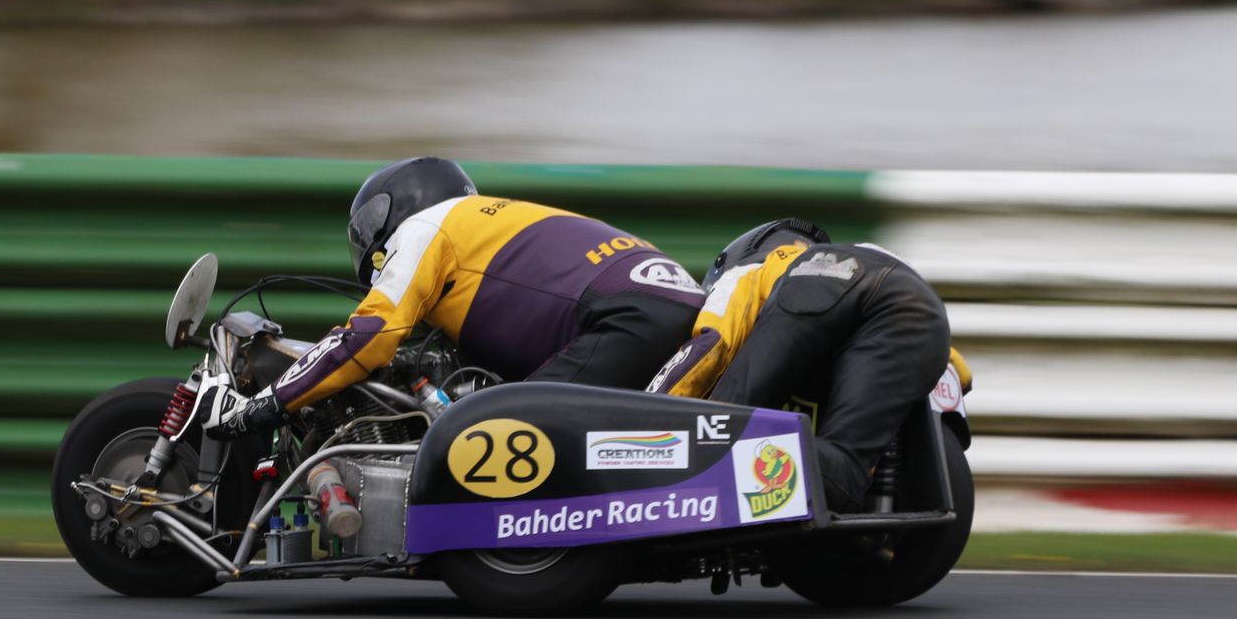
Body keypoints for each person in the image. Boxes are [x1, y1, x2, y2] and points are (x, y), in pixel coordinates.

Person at [206, 157, 704, 436]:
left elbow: (370, 335)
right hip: (673, 308)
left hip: (623, 315)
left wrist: (274, 400)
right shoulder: (492, 224)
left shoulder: (427, 228)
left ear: (393, 210)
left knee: (500, 432)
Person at [648, 218, 970, 512]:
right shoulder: (861, 263)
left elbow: (712, 345)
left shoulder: (755, 267)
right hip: (923, 307)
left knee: (726, 426)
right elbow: (956, 371)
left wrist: (651, 420)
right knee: (843, 468)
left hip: (817, 282)